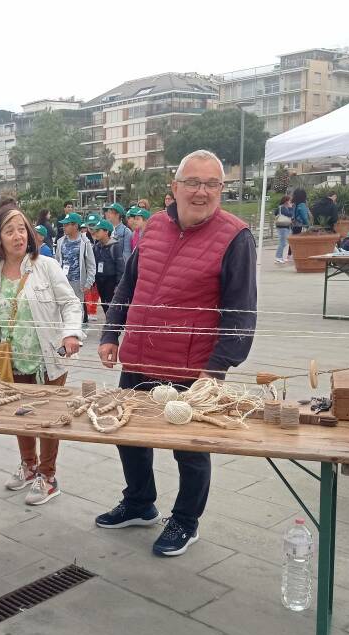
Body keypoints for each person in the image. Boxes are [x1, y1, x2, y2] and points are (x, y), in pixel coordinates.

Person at [96, 149, 257, 557]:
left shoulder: (236, 236)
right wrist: (111, 332)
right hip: (139, 353)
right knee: (127, 432)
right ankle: (139, 502)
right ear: (175, 187)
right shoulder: (152, 227)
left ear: (222, 189)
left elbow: (241, 310)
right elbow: (128, 286)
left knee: (189, 447)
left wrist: (217, 369)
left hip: (193, 364)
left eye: (212, 184)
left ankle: (185, 521)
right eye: (193, 183)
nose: (201, 192)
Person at [0, 204, 83, 506]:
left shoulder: (46, 266)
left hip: (49, 358)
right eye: (9, 231)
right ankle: (29, 466)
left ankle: (48, 477)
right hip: (10, 360)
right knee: (20, 414)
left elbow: (71, 304)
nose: (18, 236)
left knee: (48, 419)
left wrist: (71, 333)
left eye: (22, 228)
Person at [54, 212, 96, 326]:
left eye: (67, 225)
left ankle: (77, 331)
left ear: (75, 226)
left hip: (78, 282)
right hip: (63, 281)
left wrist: (89, 283)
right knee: (63, 307)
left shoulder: (85, 242)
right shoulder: (60, 241)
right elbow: (57, 262)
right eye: (64, 225)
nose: (64, 227)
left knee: (78, 308)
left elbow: (91, 265)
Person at [89, 219, 121, 317]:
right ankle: (109, 320)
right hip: (100, 280)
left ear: (106, 231)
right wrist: (93, 281)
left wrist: (118, 283)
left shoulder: (115, 246)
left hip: (110, 280)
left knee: (110, 304)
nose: (96, 233)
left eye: (98, 231)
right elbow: (93, 264)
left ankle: (112, 324)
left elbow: (120, 266)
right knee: (103, 302)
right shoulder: (96, 247)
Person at [103, 202, 132, 277]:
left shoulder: (126, 232)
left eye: (110, 212)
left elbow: (127, 254)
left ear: (118, 215)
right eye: (108, 212)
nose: (108, 214)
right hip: (106, 270)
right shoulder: (105, 230)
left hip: (118, 271)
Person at [274, 194, 295, 264]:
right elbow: (290, 214)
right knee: (282, 243)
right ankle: (278, 257)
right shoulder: (283, 208)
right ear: (286, 201)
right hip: (282, 227)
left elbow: (276, 213)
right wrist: (291, 208)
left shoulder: (281, 208)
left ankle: (279, 257)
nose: (290, 202)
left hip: (285, 226)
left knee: (283, 242)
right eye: (289, 201)